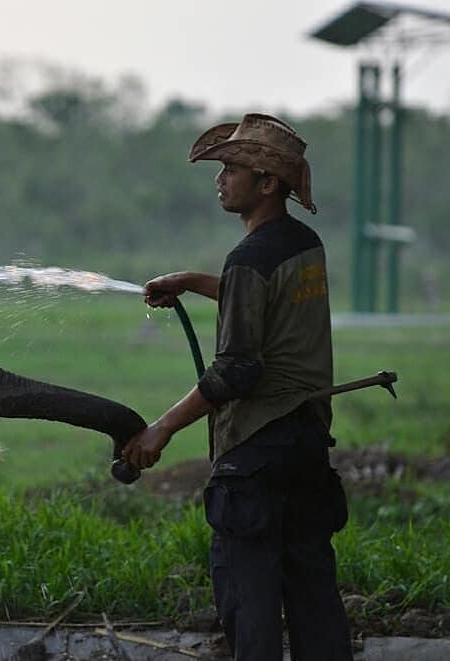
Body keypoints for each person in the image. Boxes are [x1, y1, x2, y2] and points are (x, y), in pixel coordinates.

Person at [122, 113, 353, 660]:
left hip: (255, 454)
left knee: (250, 611)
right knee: (314, 599)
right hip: (306, 444)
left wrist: (161, 428)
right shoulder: (304, 245)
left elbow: (237, 371)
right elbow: (267, 305)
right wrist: (193, 281)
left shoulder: (250, 257)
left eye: (231, 169)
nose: (220, 179)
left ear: (267, 184)